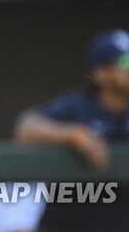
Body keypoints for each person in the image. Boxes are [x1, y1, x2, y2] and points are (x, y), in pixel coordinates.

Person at [14, 29, 129, 231]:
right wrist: (76, 136)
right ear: (100, 73)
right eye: (124, 62)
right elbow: (26, 129)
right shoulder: (78, 106)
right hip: (72, 220)